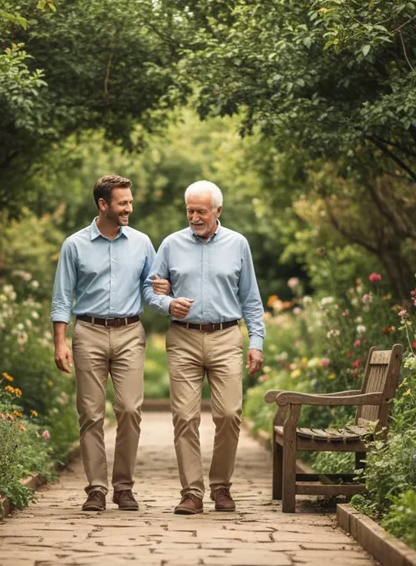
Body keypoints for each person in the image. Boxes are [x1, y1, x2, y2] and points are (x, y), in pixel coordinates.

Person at [149, 180, 264, 514]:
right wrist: (168, 304)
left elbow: (251, 300)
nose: (194, 217)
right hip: (183, 338)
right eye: (190, 210)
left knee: (229, 414)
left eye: (201, 211)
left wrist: (256, 342)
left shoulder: (238, 244)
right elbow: (151, 290)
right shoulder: (170, 245)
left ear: (218, 211)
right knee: (185, 417)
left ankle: (221, 487)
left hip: (226, 336)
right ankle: (192, 493)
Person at [51, 174, 158, 512]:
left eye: (130, 201)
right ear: (103, 204)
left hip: (129, 332)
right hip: (89, 332)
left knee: (129, 409)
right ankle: (96, 489)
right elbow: (62, 296)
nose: (129, 207)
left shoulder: (142, 243)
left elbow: (150, 289)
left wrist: (164, 295)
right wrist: (60, 342)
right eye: (123, 202)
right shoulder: (75, 245)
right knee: (90, 414)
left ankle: (123, 487)